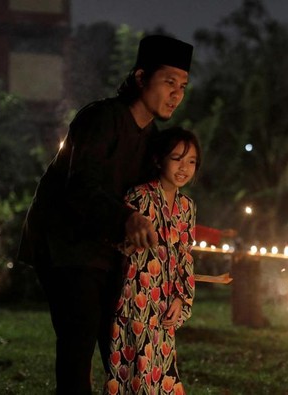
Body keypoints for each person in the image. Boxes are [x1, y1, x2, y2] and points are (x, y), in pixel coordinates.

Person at [17, 35, 193, 394]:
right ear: (142, 78)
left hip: (110, 252)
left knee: (119, 342)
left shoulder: (152, 138)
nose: (177, 94)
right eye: (169, 82)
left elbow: (152, 198)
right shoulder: (100, 118)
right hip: (67, 245)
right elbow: (80, 185)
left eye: (183, 86)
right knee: (78, 338)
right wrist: (126, 219)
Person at [105, 127, 199, 395]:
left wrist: (181, 298)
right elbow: (118, 243)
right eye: (176, 158)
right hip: (136, 299)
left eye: (191, 161)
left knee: (163, 372)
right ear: (159, 160)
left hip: (166, 304)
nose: (184, 168)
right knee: (135, 373)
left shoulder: (186, 207)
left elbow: (184, 255)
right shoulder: (139, 196)